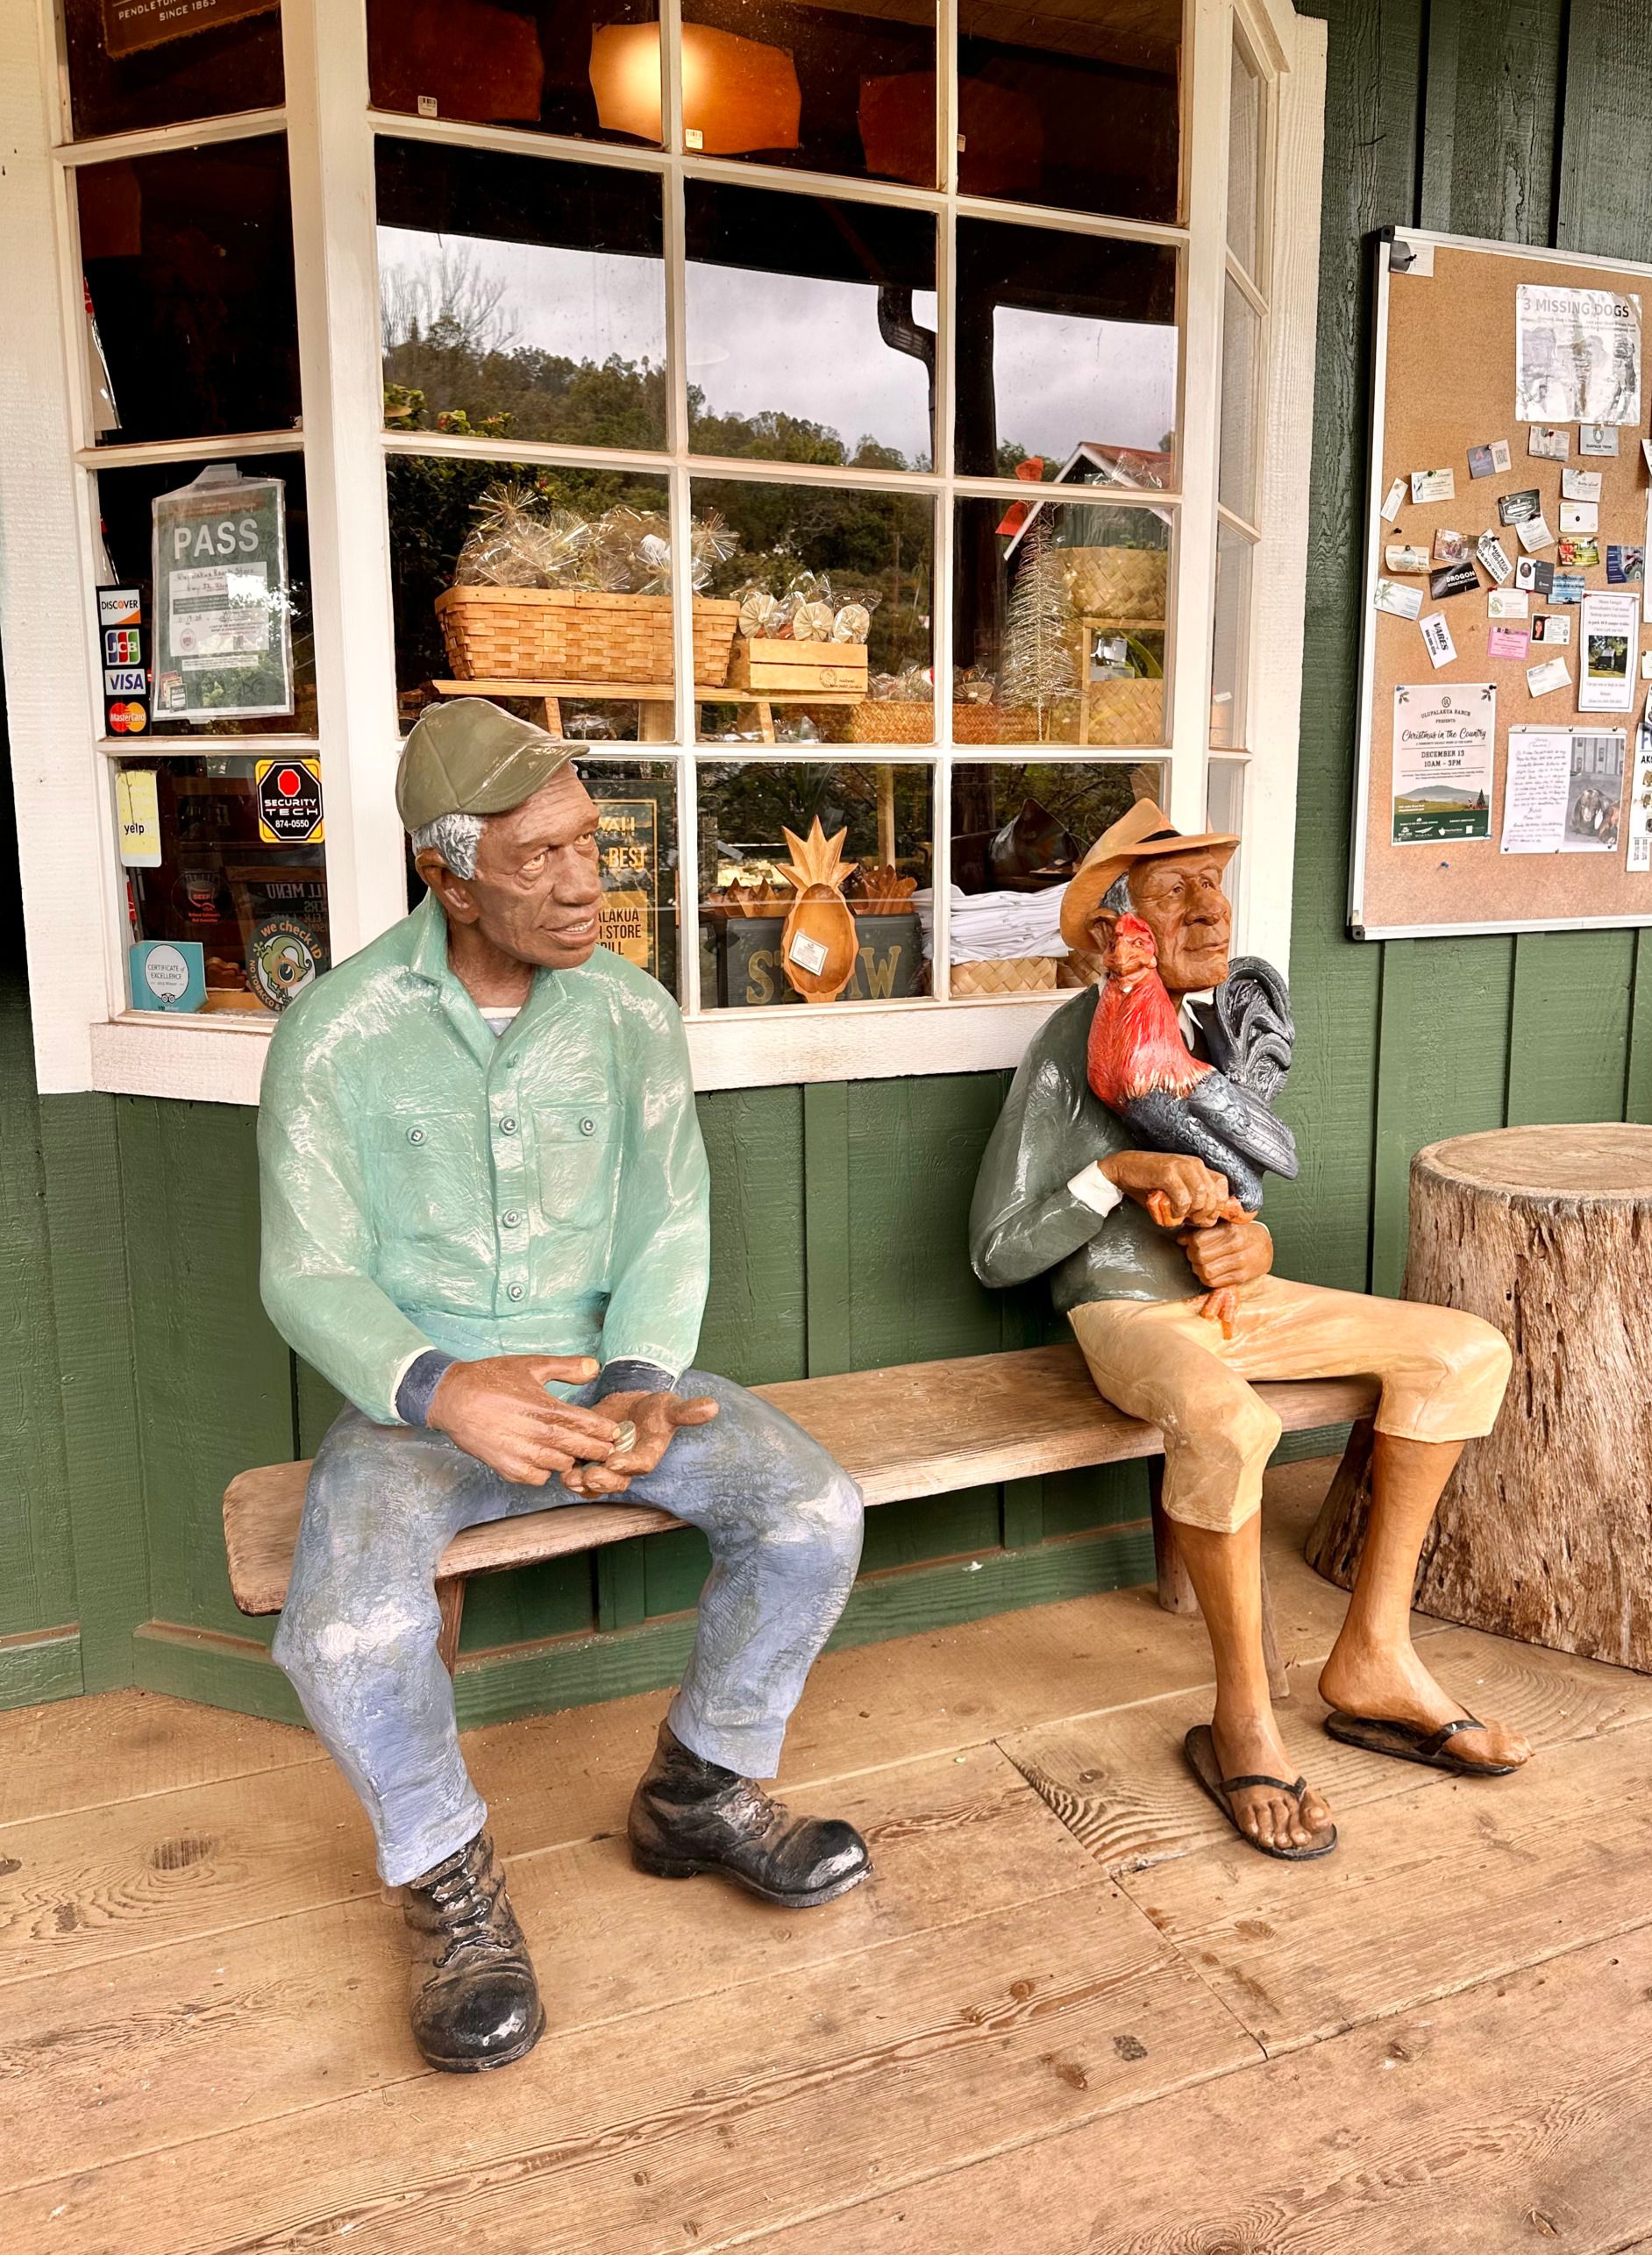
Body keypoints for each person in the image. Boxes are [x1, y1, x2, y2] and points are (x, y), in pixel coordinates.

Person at [259, 700, 870, 2073]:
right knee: (347, 1631)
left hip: (612, 1384)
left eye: (591, 842)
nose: (585, 880)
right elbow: (307, 1270)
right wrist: (438, 1385)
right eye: (536, 857)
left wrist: (649, 1378)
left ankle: (699, 1789)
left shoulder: (630, 1012)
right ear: (447, 871)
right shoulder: (338, 1032)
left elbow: (669, 1220)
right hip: (415, 1415)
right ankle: (446, 1878)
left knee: (812, 1508)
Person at [970, 799, 1529, 1862]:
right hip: (1125, 1313)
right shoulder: (1064, 1044)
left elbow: (1238, 1209)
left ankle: (1374, 1653)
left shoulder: (1208, 1032)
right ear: (1116, 926)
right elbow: (996, 1248)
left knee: (1462, 1348)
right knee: (1228, 1425)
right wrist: (1111, 1173)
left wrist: (1248, 1248)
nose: (1208, 908)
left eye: (1212, 884)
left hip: (1233, 1310)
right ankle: (1242, 1714)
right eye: (1174, 890)